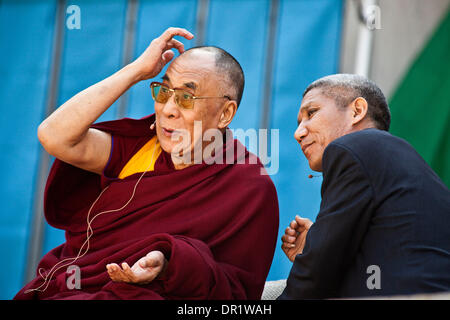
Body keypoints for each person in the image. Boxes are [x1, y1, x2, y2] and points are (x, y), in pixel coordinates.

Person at [15, 27, 279, 300]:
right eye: (163, 92)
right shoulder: (140, 147)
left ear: (225, 114)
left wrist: (171, 264)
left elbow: (236, 294)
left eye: (186, 98)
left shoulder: (249, 186)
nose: (168, 109)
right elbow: (54, 136)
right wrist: (137, 71)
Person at [279, 74, 450, 299]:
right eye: (299, 123)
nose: (298, 133)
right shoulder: (392, 156)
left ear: (357, 111)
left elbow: (312, 278)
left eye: (311, 113)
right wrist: (316, 243)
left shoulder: (350, 147)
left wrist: (314, 256)